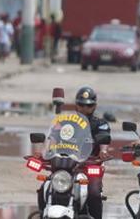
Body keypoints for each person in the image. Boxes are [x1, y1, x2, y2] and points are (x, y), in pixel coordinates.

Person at [38, 87, 111, 219]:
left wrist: (103, 151)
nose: (84, 108)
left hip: (88, 165)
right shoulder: (66, 121)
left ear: (94, 106)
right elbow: (52, 137)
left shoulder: (101, 124)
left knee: (94, 193)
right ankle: (42, 214)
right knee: (45, 186)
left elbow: (104, 139)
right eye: (81, 104)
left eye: (88, 105)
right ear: (76, 105)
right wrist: (44, 150)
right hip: (65, 163)